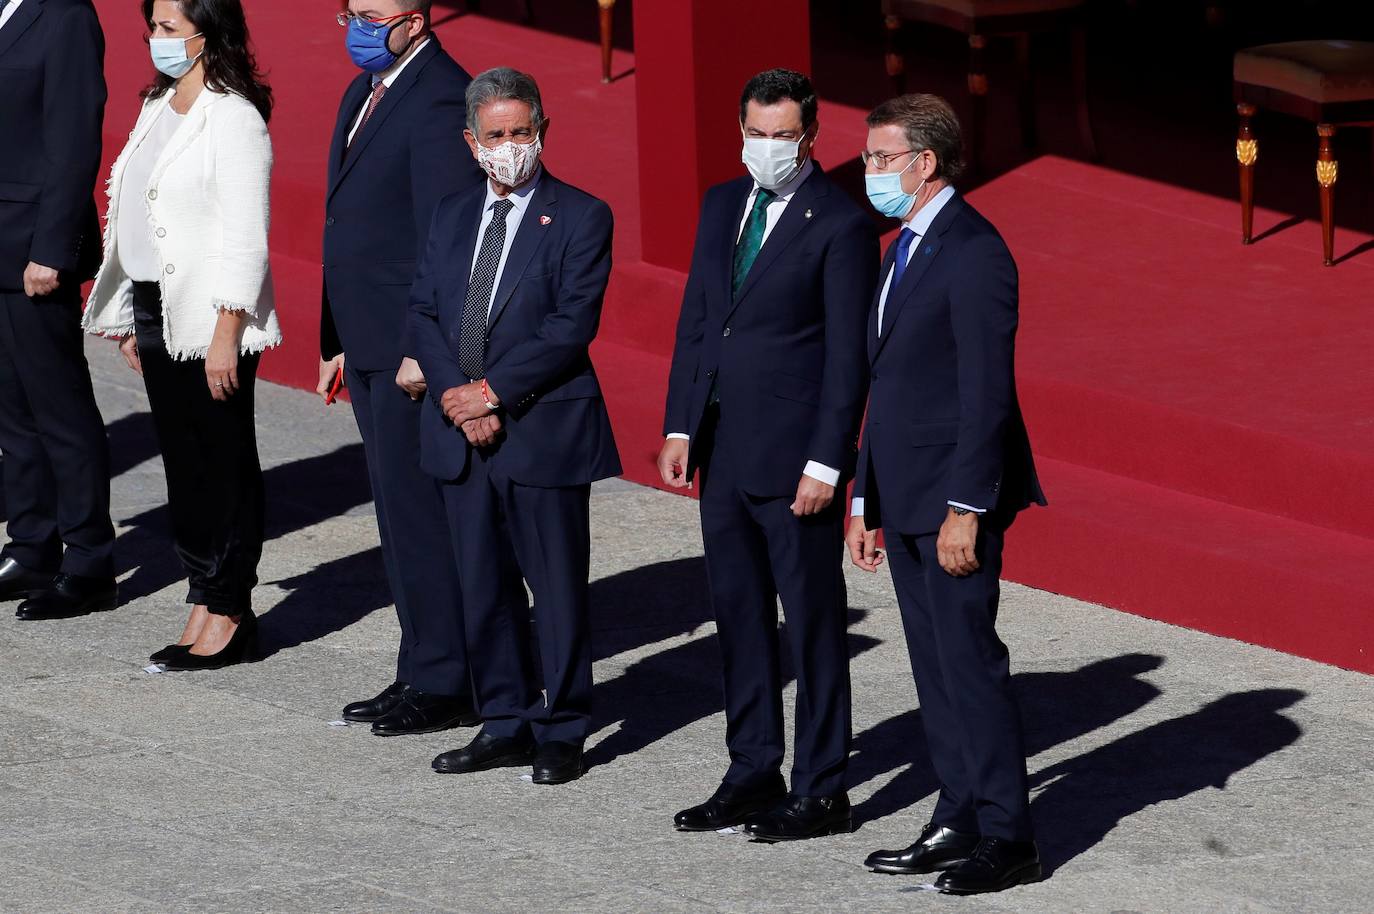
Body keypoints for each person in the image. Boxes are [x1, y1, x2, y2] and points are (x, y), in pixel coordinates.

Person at [658, 68, 878, 841]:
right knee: (739, 618)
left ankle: (822, 788)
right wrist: (681, 424)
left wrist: (827, 463)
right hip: (722, 455)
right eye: (758, 133)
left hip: (794, 467)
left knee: (813, 626)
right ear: (739, 130)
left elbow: (849, 359)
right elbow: (699, 320)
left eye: (784, 137)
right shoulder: (722, 204)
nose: (768, 148)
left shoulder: (841, 226)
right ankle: (751, 767)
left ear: (811, 140)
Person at [845, 93, 1048, 895]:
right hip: (903, 492)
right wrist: (867, 500)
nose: (868, 173)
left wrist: (968, 507)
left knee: (969, 664)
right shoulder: (903, 247)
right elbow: (887, 385)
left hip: (953, 501)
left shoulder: (974, 252)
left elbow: (985, 396)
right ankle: (958, 809)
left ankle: (1010, 834)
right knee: (932, 666)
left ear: (924, 164)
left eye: (879, 159)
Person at [411, 67, 621, 785]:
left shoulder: (582, 216)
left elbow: (570, 327)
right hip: (458, 432)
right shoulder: (449, 213)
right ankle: (503, 719)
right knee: (482, 584)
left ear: (543, 132)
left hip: (540, 431)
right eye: (496, 135)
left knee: (556, 587)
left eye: (521, 132)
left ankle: (562, 726)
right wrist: (454, 398)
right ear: (472, 142)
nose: (510, 147)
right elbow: (425, 313)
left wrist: (491, 395)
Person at [83, 0, 281, 670]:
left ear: (208, 33)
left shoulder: (234, 118)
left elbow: (244, 236)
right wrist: (132, 318)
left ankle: (231, 609)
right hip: (154, 306)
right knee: (183, 465)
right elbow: (131, 208)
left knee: (222, 462)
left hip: (209, 314)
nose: (156, 40)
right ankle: (204, 592)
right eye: (154, 27)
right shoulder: (157, 103)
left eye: (169, 29)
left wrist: (227, 331)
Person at [320, 0, 485, 734]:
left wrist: (425, 347)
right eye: (350, 10)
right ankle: (419, 661)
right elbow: (349, 219)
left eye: (373, 13)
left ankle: (449, 675)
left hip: (408, 350)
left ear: (416, 20)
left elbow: (441, 239)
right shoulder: (369, 86)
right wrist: (338, 334)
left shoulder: (442, 96)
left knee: (420, 514)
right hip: (366, 338)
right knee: (395, 509)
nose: (357, 25)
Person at [0, 0, 117, 621]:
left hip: (31, 250)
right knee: (12, 414)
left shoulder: (65, 13)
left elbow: (73, 135)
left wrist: (53, 248)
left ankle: (89, 559)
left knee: (58, 410)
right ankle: (30, 545)